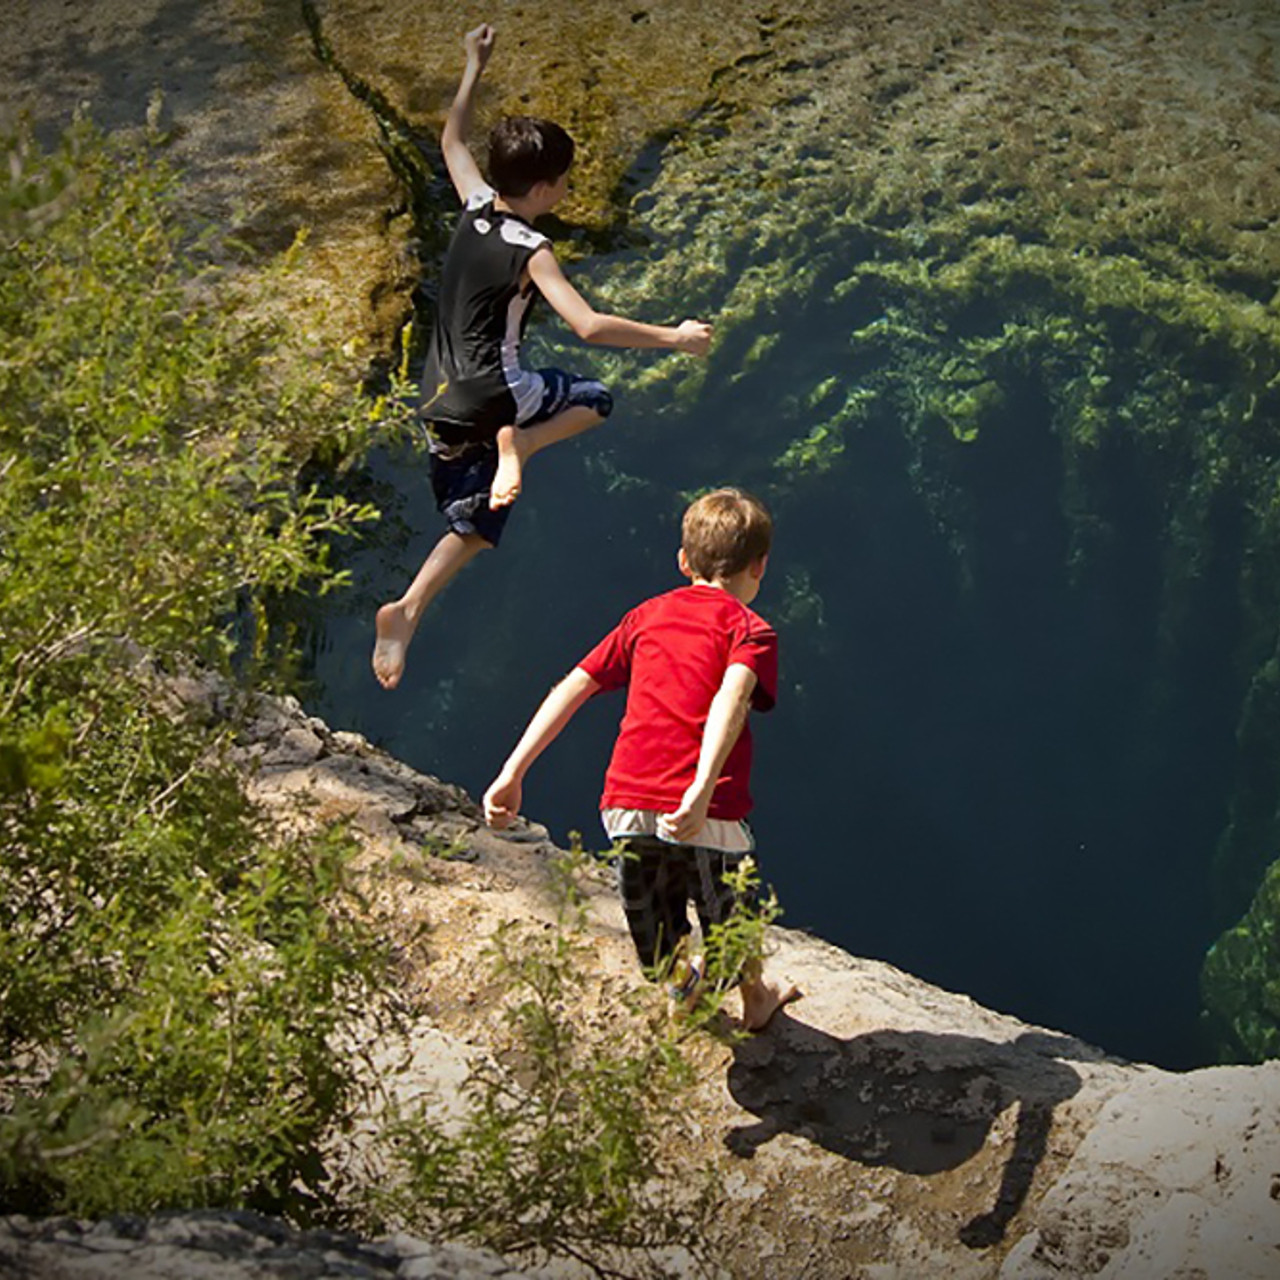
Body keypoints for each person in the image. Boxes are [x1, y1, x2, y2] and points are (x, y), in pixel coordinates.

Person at [372, 23, 713, 690]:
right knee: (594, 401)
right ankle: (519, 447)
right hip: (499, 394)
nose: (563, 192)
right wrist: (675, 336)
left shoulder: (473, 206)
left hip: (437, 399)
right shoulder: (533, 249)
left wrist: (473, 64)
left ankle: (408, 608)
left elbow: (451, 140)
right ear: (545, 186)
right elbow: (587, 325)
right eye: (561, 183)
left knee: (474, 520)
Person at [483, 488, 800, 1031]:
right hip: (706, 812)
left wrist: (512, 771)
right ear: (760, 566)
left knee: (657, 938)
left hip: (625, 803)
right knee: (730, 920)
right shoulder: (751, 630)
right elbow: (732, 698)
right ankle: (745, 994)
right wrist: (700, 789)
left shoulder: (646, 616)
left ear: (683, 562)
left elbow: (573, 687)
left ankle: (711, 991)